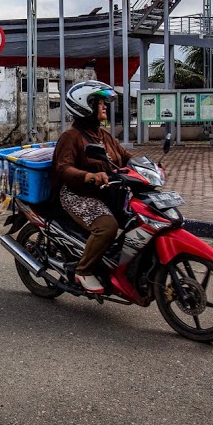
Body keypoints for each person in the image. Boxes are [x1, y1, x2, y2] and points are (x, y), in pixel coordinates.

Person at [52, 81, 133, 294]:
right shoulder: (70, 137)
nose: (105, 106)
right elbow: (63, 168)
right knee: (107, 227)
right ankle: (84, 270)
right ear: (85, 105)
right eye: (100, 102)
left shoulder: (104, 135)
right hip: (77, 194)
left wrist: (150, 167)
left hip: (106, 193)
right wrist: (88, 175)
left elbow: (125, 158)